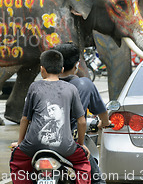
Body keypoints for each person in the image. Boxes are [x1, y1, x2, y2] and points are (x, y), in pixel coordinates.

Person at [10, 49, 91, 184]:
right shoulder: (71, 89)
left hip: (32, 145)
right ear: (62, 69)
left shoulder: (34, 87)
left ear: (42, 69)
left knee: (17, 162)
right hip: (65, 146)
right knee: (83, 163)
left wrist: (20, 143)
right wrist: (81, 144)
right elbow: (81, 121)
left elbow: (25, 119)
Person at [55, 42, 110, 184]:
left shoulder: (41, 86)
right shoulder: (85, 84)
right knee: (98, 181)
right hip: (70, 144)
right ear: (77, 65)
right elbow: (100, 112)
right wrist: (105, 123)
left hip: (40, 143)